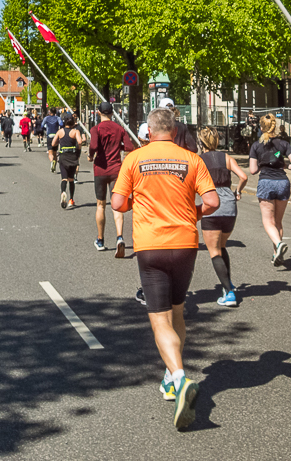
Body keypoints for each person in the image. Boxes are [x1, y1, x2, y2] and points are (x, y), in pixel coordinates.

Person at [112, 108, 218, 431]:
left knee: (159, 321)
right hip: (185, 243)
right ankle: (171, 378)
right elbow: (212, 201)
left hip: (150, 245)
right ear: (174, 131)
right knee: (178, 312)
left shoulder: (135, 159)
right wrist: (192, 215)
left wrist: (138, 203)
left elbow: (117, 203)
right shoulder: (191, 159)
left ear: (147, 130)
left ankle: (179, 376)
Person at [197, 125, 248, 307]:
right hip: (229, 206)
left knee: (214, 252)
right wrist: (237, 191)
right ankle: (228, 284)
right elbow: (243, 176)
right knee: (222, 247)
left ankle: (230, 293)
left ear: (200, 142)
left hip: (212, 205)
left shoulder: (198, 160)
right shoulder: (226, 157)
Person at [247, 114, 291, 267]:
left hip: (266, 182)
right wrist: (285, 165)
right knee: (278, 222)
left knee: (268, 221)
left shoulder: (256, 145)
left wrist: (264, 163)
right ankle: (277, 253)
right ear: (274, 126)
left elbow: (252, 170)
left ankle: (278, 245)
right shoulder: (283, 143)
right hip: (282, 182)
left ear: (261, 127)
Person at [89, 101, 136, 255]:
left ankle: (100, 240)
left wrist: (90, 155)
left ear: (98, 112)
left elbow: (94, 146)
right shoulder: (119, 128)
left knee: (100, 205)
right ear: (112, 113)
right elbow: (130, 147)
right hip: (116, 170)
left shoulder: (96, 129)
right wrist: (119, 146)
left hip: (100, 170)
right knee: (117, 205)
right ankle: (119, 237)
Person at [52, 112, 87, 209]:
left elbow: (53, 143)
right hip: (72, 156)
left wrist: (58, 144)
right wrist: (78, 149)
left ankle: (63, 192)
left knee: (64, 178)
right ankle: (71, 199)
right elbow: (80, 142)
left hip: (63, 155)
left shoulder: (60, 131)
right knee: (71, 179)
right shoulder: (75, 131)